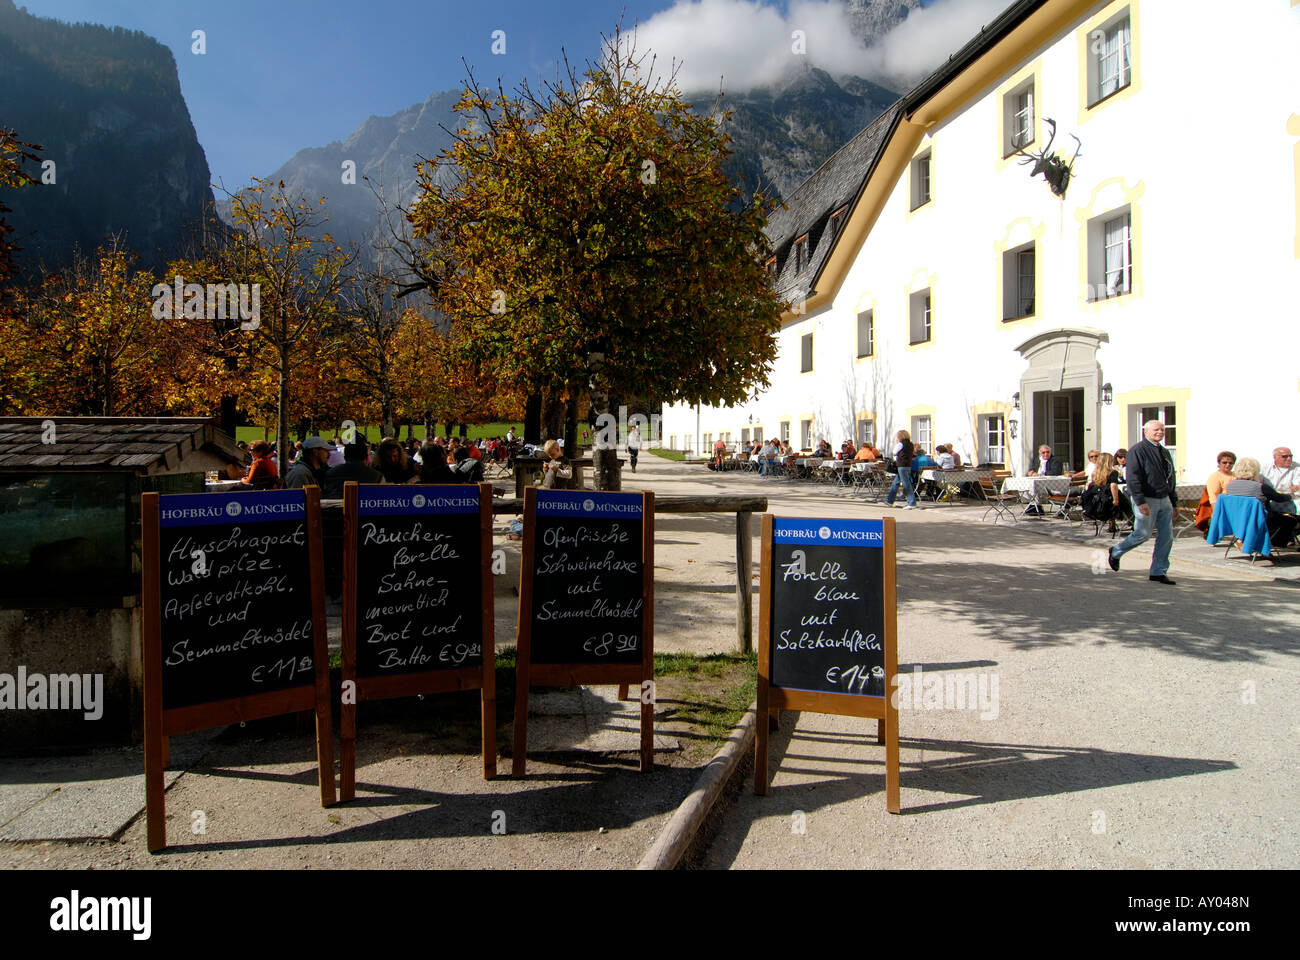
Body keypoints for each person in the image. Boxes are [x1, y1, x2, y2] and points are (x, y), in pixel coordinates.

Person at [1106, 420, 1179, 584]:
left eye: (1162, 429)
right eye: (1156, 430)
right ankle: (1116, 551)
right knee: (1143, 534)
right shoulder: (1137, 451)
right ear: (1145, 432)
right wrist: (1140, 501)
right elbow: (1133, 478)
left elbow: (1171, 477)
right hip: (1146, 498)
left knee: (1167, 537)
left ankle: (1158, 571)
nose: (1160, 432)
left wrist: (1174, 502)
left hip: (1164, 498)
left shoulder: (1164, 452)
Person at [1225, 457, 1298, 548]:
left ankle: (1249, 542)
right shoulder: (1260, 487)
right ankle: (1274, 543)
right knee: (1291, 520)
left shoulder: (1230, 486)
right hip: (1259, 522)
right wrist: (1292, 495)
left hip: (1238, 521)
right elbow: (1279, 498)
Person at [1080, 452, 1122, 524]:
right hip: (1108, 498)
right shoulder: (1113, 472)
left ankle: (1111, 523)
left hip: (1100, 499)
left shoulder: (1095, 472)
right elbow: (1113, 486)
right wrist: (1116, 500)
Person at [885, 429, 917, 509]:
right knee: (895, 483)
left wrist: (897, 444)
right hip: (908, 465)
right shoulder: (910, 444)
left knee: (906, 484)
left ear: (900, 437)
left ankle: (912, 502)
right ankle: (890, 500)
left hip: (901, 465)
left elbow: (894, 452)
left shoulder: (900, 444)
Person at [1260, 447, 1298, 512]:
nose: (1289, 458)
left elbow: (1297, 488)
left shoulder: (1297, 468)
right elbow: (1259, 484)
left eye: (1290, 456)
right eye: (1285, 456)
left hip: (1288, 503)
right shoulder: (1265, 468)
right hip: (1269, 502)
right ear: (1275, 457)